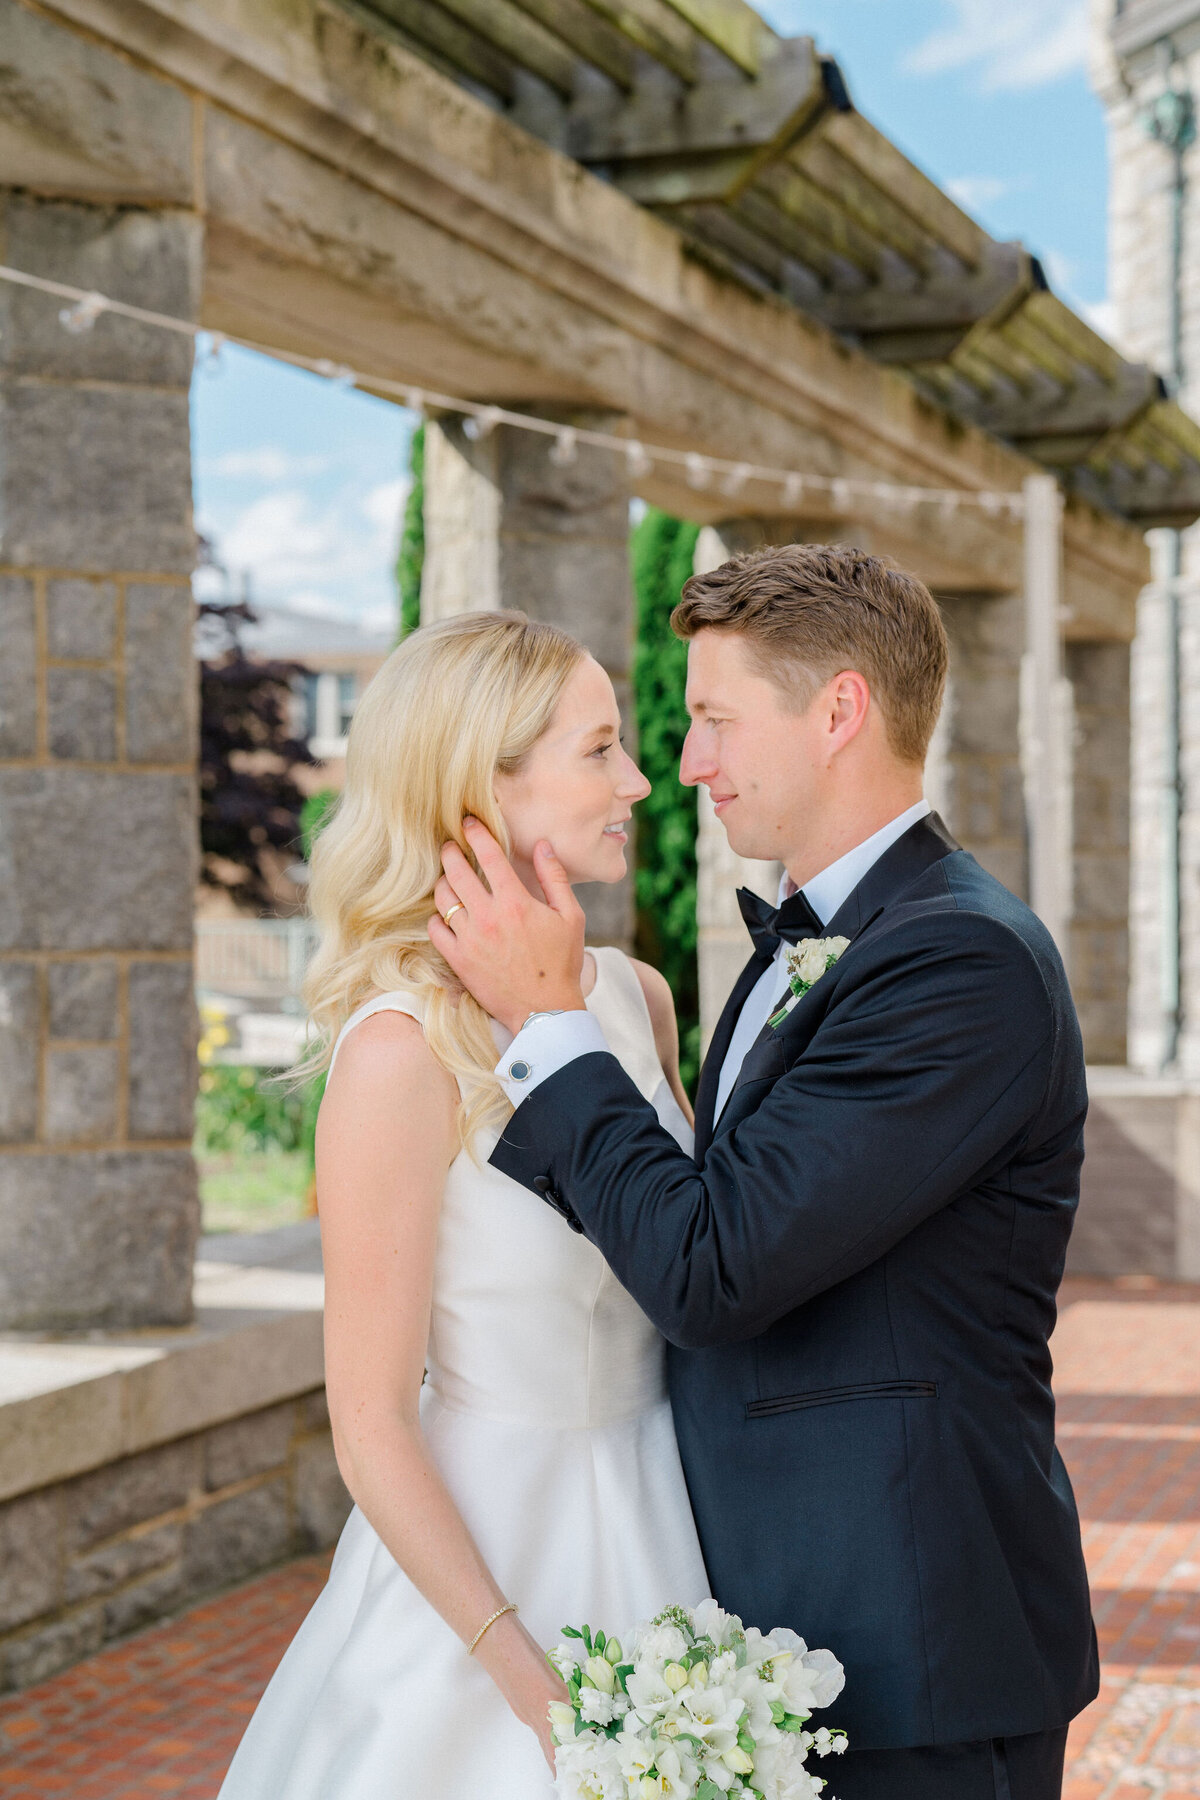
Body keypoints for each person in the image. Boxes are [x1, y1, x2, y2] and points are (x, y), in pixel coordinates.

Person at [431, 544, 1100, 1800]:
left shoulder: (961, 961)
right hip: (779, 1623)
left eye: (714, 720)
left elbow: (715, 1266)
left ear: (838, 712)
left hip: (913, 1643)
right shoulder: (818, 937)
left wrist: (547, 1027)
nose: (686, 765)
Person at [216, 611, 708, 1800]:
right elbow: (370, 1422)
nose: (640, 781)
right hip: (483, 1577)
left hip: (673, 1531)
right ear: (485, 780)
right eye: (599, 751)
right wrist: (533, 1690)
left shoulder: (638, 999)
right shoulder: (400, 1050)